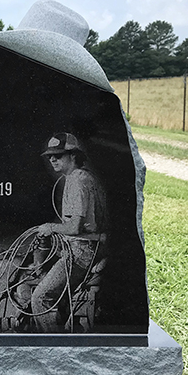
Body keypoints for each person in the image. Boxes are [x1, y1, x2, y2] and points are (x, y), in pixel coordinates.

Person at [31, 133, 107, 332]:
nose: (52, 159)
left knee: (39, 297)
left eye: (58, 155)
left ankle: (53, 348)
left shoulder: (78, 182)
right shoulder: (79, 178)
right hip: (80, 247)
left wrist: (51, 228)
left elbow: (74, 228)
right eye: (50, 156)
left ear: (73, 156)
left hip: (82, 253)